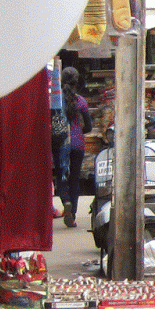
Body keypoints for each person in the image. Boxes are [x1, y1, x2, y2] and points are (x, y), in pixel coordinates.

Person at [57, 67, 92, 228]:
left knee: (62, 176)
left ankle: (66, 201)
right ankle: (73, 214)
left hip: (61, 143)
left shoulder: (57, 101)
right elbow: (89, 127)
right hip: (78, 144)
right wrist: (79, 132)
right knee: (75, 179)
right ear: (77, 82)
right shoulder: (81, 101)